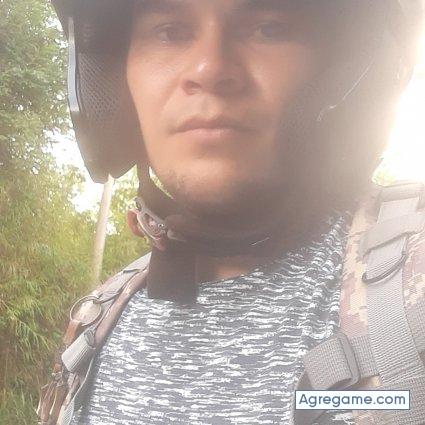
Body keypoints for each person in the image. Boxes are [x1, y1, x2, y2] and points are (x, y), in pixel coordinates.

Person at [44, 0, 424, 424]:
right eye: (170, 32)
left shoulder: (413, 282)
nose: (209, 69)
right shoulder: (94, 328)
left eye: (269, 29)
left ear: (342, 73)